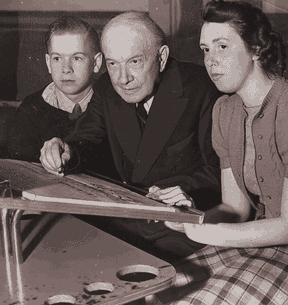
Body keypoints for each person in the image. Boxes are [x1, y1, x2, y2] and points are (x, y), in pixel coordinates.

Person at [39, 11, 221, 261]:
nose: (123, 79)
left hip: (182, 226)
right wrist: (67, 150)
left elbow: (220, 171)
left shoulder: (203, 89)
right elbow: (88, 138)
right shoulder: (105, 89)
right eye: (113, 64)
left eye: (134, 62)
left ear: (162, 57)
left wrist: (184, 191)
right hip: (126, 221)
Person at [154, 1, 288, 304]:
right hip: (261, 243)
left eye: (223, 46)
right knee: (158, 289)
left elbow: (287, 225)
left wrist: (202, 233)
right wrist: (191, 217)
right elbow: (236, 209)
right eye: (205, 50)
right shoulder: (224, 112)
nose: (211, 61)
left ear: (256, 48)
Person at [9, 16, 117, 178]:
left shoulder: (115, 106)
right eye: (57, 58)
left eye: (77, 58)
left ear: (96, 63)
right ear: (48, 63)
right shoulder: (30, 111)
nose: (66, 68)